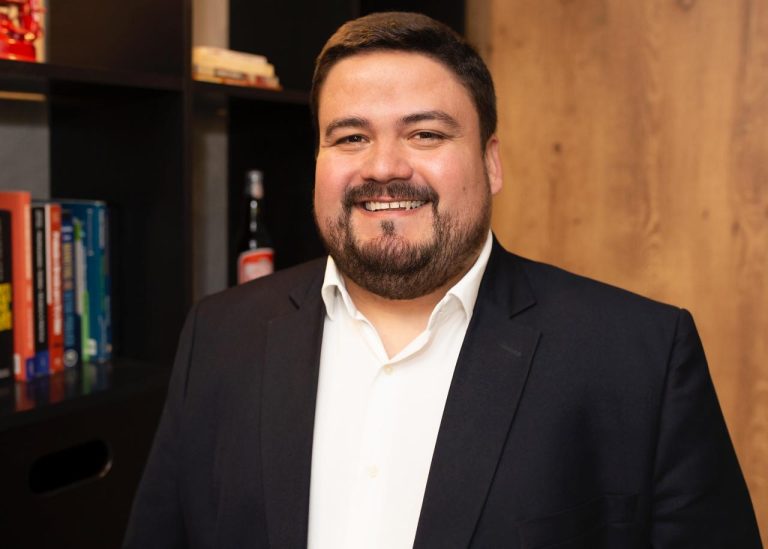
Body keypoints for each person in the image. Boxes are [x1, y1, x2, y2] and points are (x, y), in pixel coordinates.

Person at [124, 12, 762, 549]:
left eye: (425, 133)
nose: (384, 167)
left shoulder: (639, 356)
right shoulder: (219, 335)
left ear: (491, 163)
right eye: (351, 137)